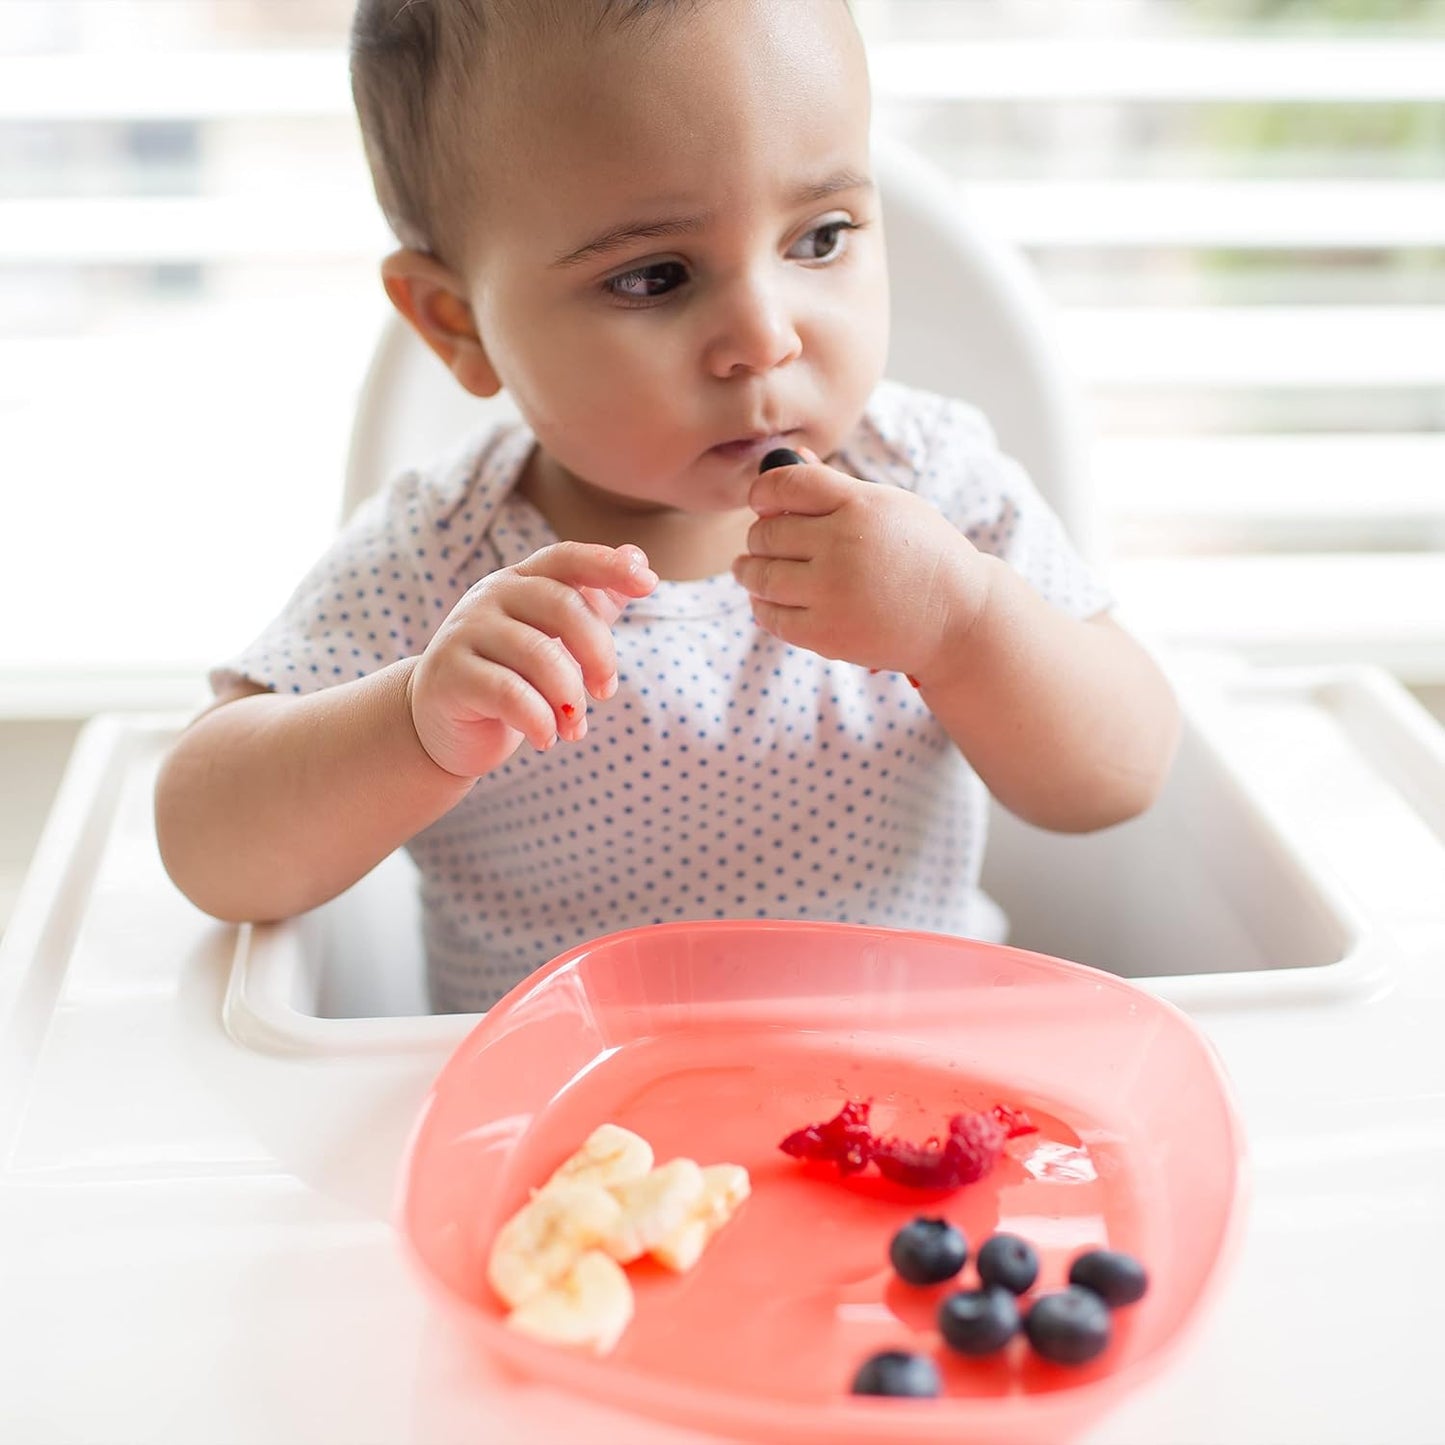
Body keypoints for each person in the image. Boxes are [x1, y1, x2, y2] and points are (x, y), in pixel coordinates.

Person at [154, 0, 1181, 1012]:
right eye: (654, 276)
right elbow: (209, 845)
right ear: (457, 322)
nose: (762, 335)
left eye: (819, 238)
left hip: (908, 1090)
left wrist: (965, 621)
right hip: (580, 1149)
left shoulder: (931, 485)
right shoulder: (442, 558)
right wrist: (415, 722)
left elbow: (1119, 772)